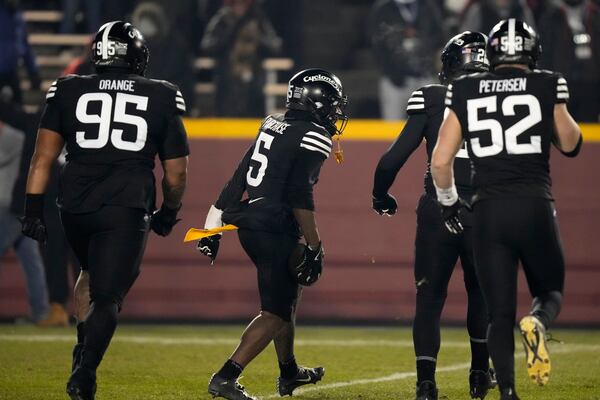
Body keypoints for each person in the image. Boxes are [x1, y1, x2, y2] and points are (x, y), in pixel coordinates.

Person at [20, 21, 189, 400]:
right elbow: (176, 173)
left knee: (89, 274)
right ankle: (86, 372)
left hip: (74, 206)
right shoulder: (161, 95)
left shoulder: (67, 88)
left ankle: (82, 349)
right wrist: (168, 210)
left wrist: (33, 210)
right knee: (109, 296)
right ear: (137, 56)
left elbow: (42, 158)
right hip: (125, 205)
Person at [431, 19, 582, 399]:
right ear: (532, 51)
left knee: (497, 313)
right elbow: (571, 143)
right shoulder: (547, 81)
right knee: (549, 292)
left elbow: (440, 160)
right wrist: (557, 102)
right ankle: (537, 321)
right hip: (533, 203)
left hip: (487, 211)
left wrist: (449, 203)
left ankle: (508, 393)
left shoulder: (465, 87)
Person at [197, 68, 348, 400]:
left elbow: (240, 177)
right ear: (317, 101)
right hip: (273, 226)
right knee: (275, 314)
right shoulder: (314, 135)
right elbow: (300, 196)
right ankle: (225, 377)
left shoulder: (272, 124)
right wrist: (315, 243)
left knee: (286, 300)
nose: (336, 112)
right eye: (332, 103)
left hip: (252, 221)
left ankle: (289, 372)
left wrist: (213, 224)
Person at [372, 31, 495, 400]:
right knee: (482, 294)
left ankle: (426, 384)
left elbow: (392, 159)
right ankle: (478, 374)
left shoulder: (433, 97)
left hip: (438, 210)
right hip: (484, 209)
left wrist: (380, 195)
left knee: (429, 300)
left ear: (450, 65)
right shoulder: (504, 95)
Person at [0, 101, 50, 325]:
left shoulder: (17, 136)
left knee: (31, 260)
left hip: (11, 204)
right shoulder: (44, 133)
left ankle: (41, 311)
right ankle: (40, 311)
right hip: (28, 204)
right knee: (32, 261)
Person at [201, 0, 282, 117]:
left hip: (253, 84)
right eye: (237, 3)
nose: (240, 7)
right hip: (227, 83)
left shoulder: (257, 18)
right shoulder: (223, 19)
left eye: (244, 4)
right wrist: (230, 30)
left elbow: (275, 46)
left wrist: (258, 37)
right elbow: (207, 46)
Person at [368, 0, 446, 120]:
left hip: (424, 77)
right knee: (392, 129)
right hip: (394, 81)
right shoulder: (383, 8)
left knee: (430, 125)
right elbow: (376, 44)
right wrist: (391, 72)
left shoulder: (427, 6)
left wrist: (422, 40)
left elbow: (440, 37)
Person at [0, 0, 41, 105]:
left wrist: (33, 71)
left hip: (12, 73)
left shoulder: (17, 15)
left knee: (17, 112)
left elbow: (24, 45)